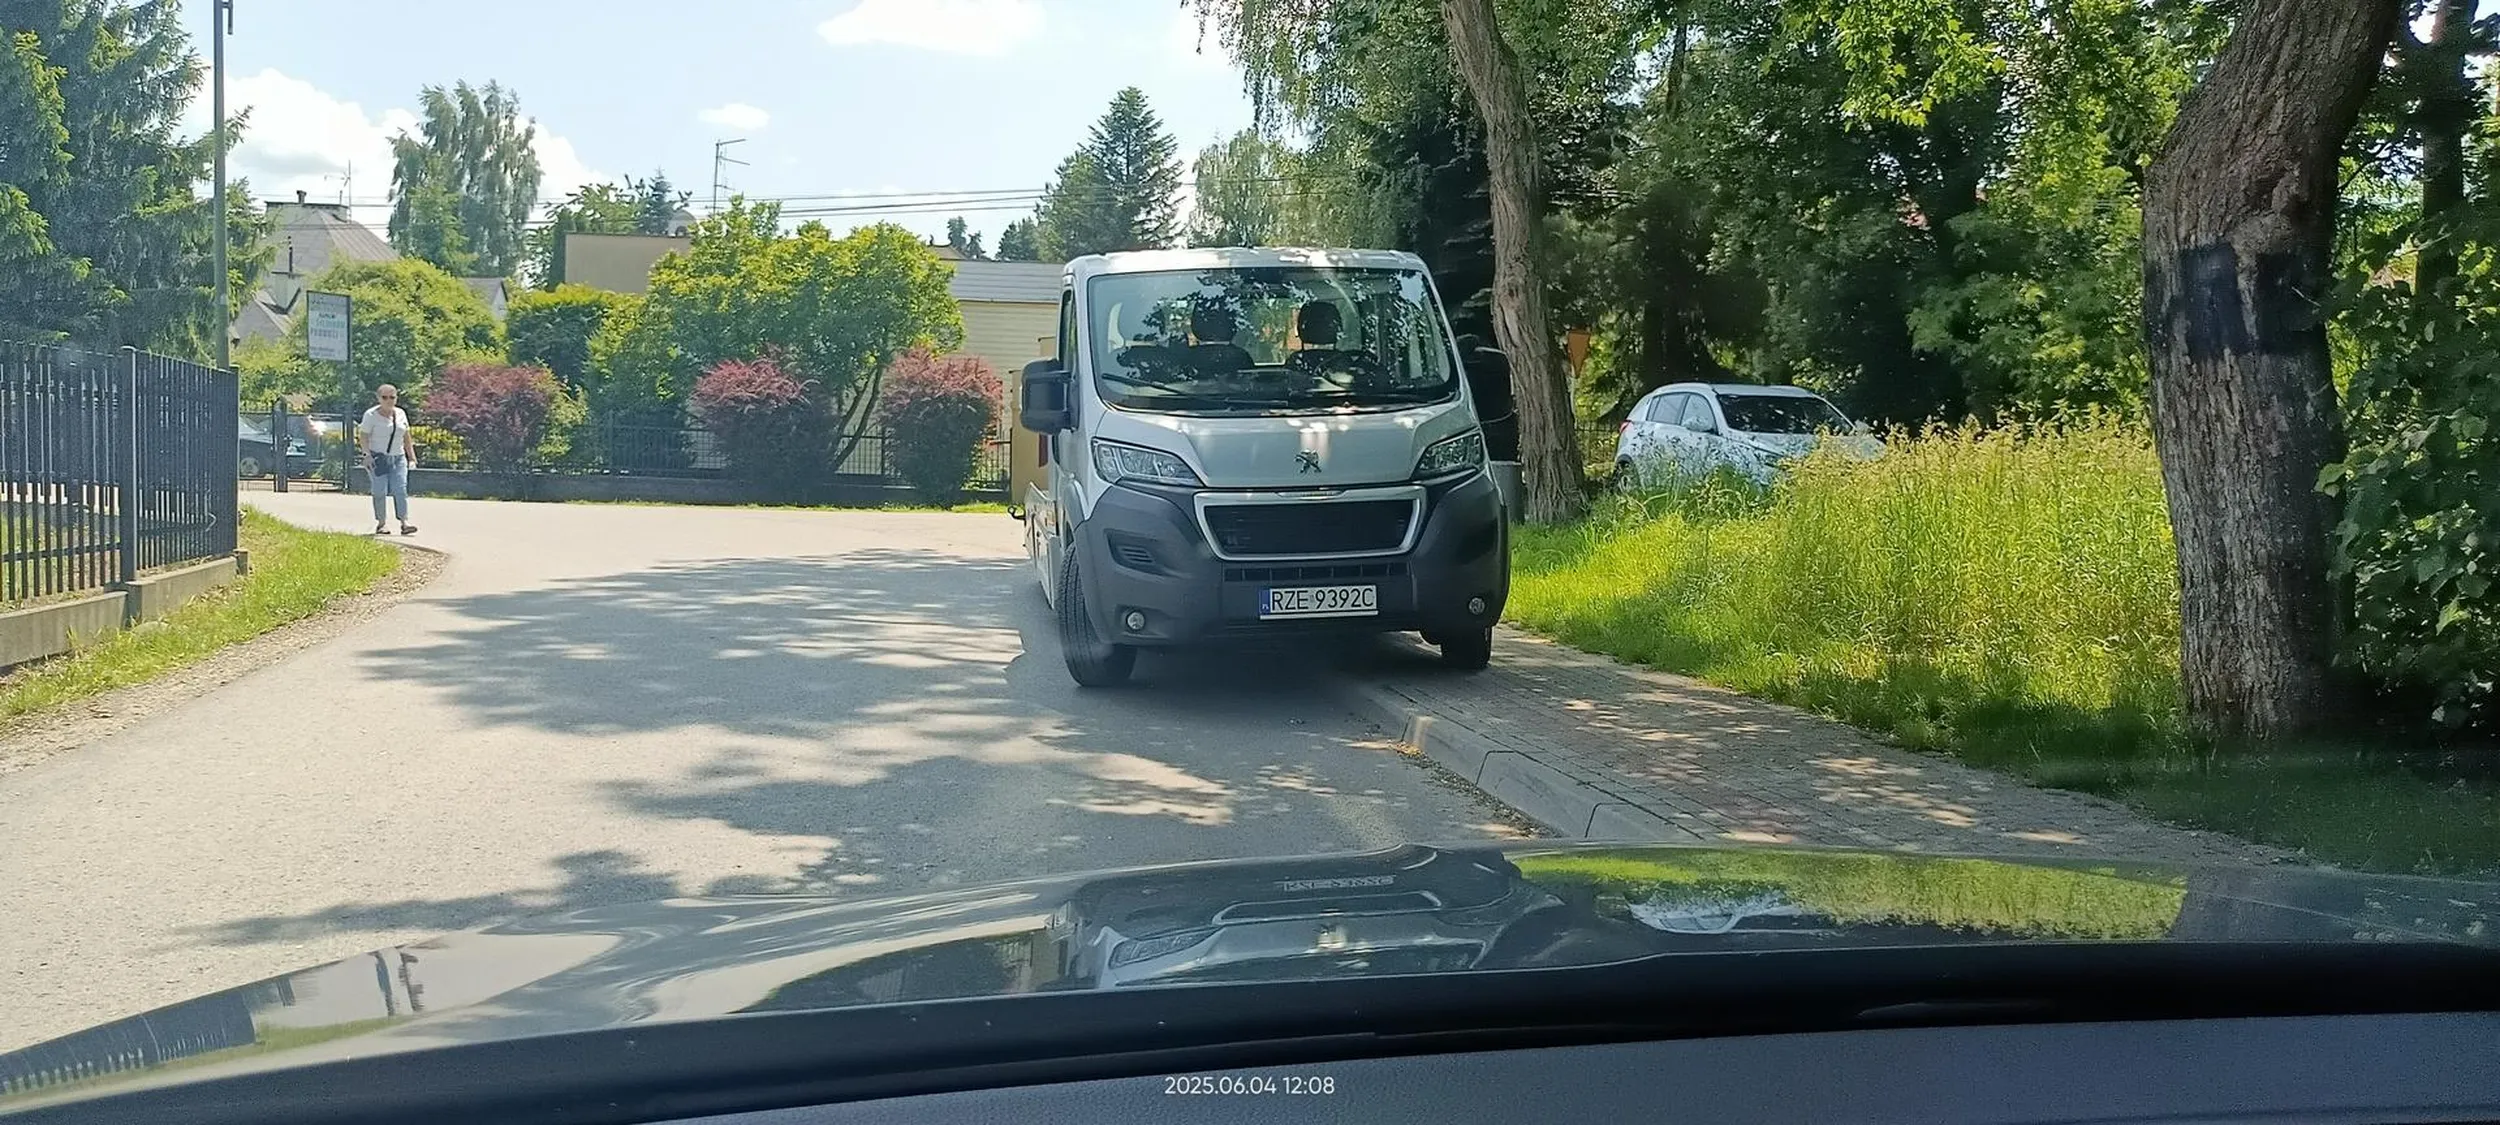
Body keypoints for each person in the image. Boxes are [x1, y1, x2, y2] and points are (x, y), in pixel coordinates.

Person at [361, 385, 416, 536]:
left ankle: (404, 522)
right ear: (378, 398)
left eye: (392, 397)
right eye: (384, 397)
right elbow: (364, 436)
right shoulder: (371, 415)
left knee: (400, 488)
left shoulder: (400, 414)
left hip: (398, 458)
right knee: (380, 490)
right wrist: (367, 455)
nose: (389, 401)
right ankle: (381, 523)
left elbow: (406, 436)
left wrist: (412, 457)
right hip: (378, 458)